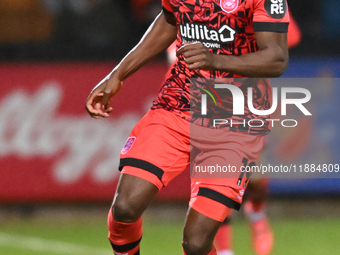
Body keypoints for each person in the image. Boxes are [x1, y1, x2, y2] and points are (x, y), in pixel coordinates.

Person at [85, 0, 290, 254]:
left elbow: (277, 58)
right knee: (125, 207)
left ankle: (256, 216)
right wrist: (118, 74)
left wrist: (215, 60)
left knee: (195, 243)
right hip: (177, 104)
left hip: (236, 120)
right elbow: (170, 20)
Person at [214, 12, 301, 255]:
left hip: (252, 95)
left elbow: (290, 36)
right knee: (218, 174)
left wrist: (253, 38)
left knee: (256, 178)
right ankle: (225, 249)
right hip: (214, 93)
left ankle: (257, 211)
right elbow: (176, 38)